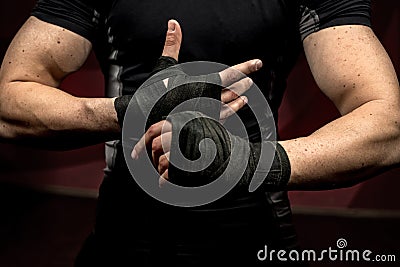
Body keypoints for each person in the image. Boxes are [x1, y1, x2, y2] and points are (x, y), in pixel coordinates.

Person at [0, 0, 399, 266]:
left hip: (253, 238)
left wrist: (245, 162)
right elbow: (8, 103)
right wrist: (134, 109)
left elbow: (388, 125)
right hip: (123, 239)